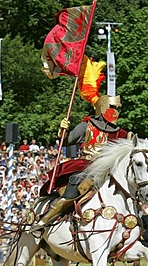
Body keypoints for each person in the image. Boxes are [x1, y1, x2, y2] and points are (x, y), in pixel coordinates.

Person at [31, 94, 132, 231]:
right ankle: (45, 220)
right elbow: (67, 142)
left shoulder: (121, 133)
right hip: (87, 165)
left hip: (109, 170)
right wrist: (63, 131)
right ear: (103, 107)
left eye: (116, 108)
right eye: (112, 107)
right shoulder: (87, 126)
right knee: (80, 185)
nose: (115, 111)